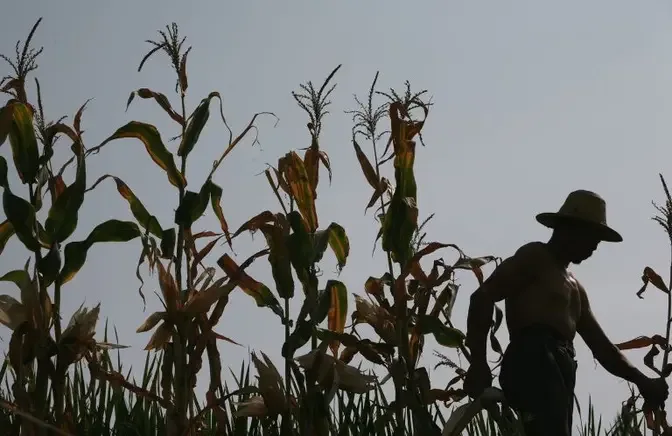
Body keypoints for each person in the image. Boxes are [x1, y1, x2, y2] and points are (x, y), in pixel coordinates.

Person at [463, 190, 669, 436]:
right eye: (591, 236)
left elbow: (603, 348)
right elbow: (482, 297)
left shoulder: (576, 289)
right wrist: (478, 362)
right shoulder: (535, 257)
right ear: (568, 228)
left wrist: (642, 381)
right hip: (534, 358)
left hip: (561, 368)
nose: (595, 246)